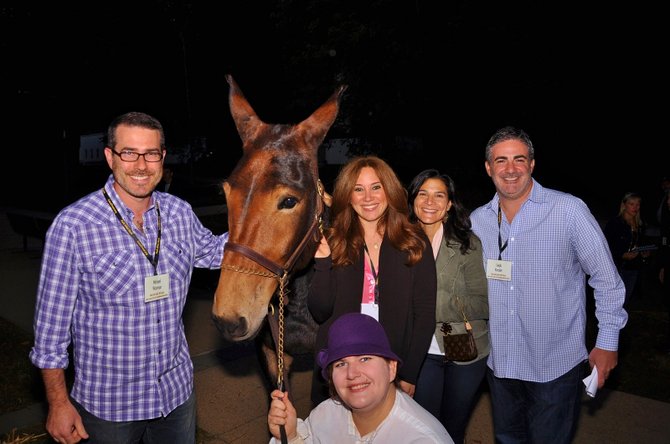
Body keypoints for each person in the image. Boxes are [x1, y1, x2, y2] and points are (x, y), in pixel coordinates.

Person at [29, 111, 229, 444]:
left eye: (151, 154)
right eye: (129, 153)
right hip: (108, 408)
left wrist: (275, 227)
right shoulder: (73, 226)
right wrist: (58, 403)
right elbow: (50, 335)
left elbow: (216, 252)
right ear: (110, 156)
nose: (141, 165)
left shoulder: (179, 213)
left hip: (175, 396)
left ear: (163, 157)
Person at [469, 126, 628, 443]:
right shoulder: (477, 220)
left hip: (554, 364)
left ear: (531, 164)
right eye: (501, 160)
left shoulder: (568, 211)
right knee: (507, 438)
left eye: (519, 159)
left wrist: (608, 340)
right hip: (499, 363)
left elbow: (606, 280)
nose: (510, 169)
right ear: (489, 168)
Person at [308, 155, 437, 406]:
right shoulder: (333, 240)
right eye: (358, 189)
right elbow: (320, 311)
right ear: (348, 195)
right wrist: (323, 263)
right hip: (341, 366)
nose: (368, 198)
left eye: (376, 187)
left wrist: (409, 372)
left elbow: (424, 315)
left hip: (391, 365)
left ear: (388, 190)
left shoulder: (413, 242)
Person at [267, 312, 453, 443]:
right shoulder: (324, 416)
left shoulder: (422, 439)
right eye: (341, 364)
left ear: (391, 368)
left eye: (365, 358)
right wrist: (290, 436)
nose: (352, 373)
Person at [407, 169, 489, 444]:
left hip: (464, 347)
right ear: (413, 199)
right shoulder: (400, 243)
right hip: (421, 352)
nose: (430, 202)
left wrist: (432, 304)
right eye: (423, 194)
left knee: (454, 426)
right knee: (426, 427)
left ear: (449, 204)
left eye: (439, 195)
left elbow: (482, 301)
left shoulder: (467, 244)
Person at [604, 192, 653, 306]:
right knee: (614, 299)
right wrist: (621, 254)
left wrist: (644, 253)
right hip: (617, 267)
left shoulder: (640, 224)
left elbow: (639, 244)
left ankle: (620, 322)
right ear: (624, 205)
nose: (636, 207)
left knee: (625, 300)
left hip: (633, 267)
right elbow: (606, 246)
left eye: (638, 204)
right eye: (632, 204)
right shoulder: (615, 223)